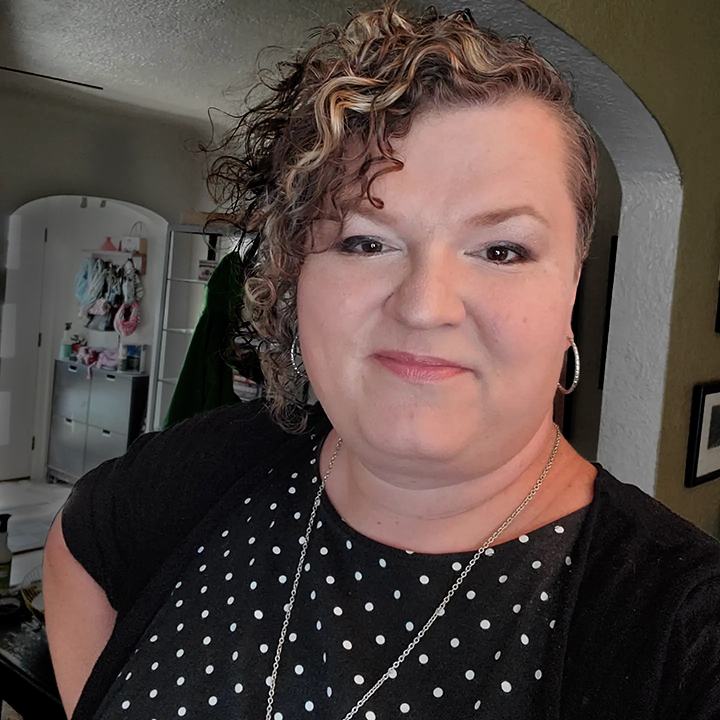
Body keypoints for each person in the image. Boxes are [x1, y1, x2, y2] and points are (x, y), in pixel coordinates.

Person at [44, 4, 720, 720]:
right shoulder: (217, 467)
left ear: (571, 289)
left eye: (501, 250)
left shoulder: (681, 630)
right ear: (298, 274)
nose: (426, 306)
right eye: (365, 241)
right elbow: (79, 542)